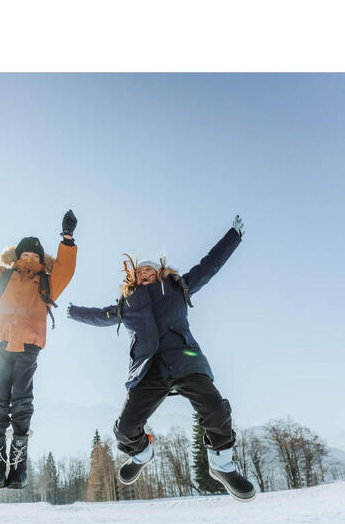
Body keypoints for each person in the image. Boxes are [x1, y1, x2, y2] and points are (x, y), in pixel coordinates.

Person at [66, 214, 254, 501]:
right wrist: (72, 311)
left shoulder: (179, 287)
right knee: (125, 429)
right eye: (141, 272)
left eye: (151, 270)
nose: (146, 273)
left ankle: (222, 463)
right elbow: (98, 316)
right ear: (133, 277)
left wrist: (233, 236)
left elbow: (210, 265)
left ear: (160, 272)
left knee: (215, 409)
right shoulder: (127, 305)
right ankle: (142, 452)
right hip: (148, 369)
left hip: (184, 359)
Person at [0, 207, 78, 490]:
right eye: (25, 255)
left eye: (35, 256)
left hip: (28, 348)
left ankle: (18, 463)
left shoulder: (47, 282)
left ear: (41, 260)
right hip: (0, 344)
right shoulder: (2, 278)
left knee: (22, 402)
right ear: (17, 257)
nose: (30, 259)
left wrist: (67, 239)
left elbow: (66, 270)